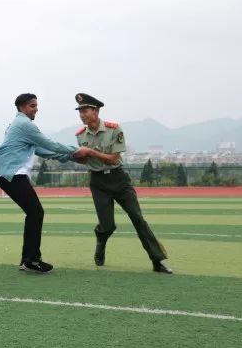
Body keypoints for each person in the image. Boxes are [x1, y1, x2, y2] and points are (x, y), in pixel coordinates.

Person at [0, 93, 89, 273]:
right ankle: (31, 260)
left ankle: (28, 259)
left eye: (36, 105)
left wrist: (71, 157)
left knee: (34, 213)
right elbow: (50, 144)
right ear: (21, 107)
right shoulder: (24, 125)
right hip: (12, 175)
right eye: (32, 106)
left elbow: (43, 151)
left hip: (11, 175)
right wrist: (76, 150)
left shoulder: (20, 126)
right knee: (36, 212)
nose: (36, 109)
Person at [73, 93, 173, 274]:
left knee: (138, 219)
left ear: (96, 111)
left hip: (119, 180)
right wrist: (76, 157)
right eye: (79, 111)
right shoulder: (80, 135)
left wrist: (90, 152)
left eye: (85, 110)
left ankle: (157, 261)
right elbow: (85, 160)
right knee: (108, 225)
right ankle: (101, 239)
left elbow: (113, 159)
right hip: (98, 182)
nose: (81, 115)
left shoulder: (114, 129)